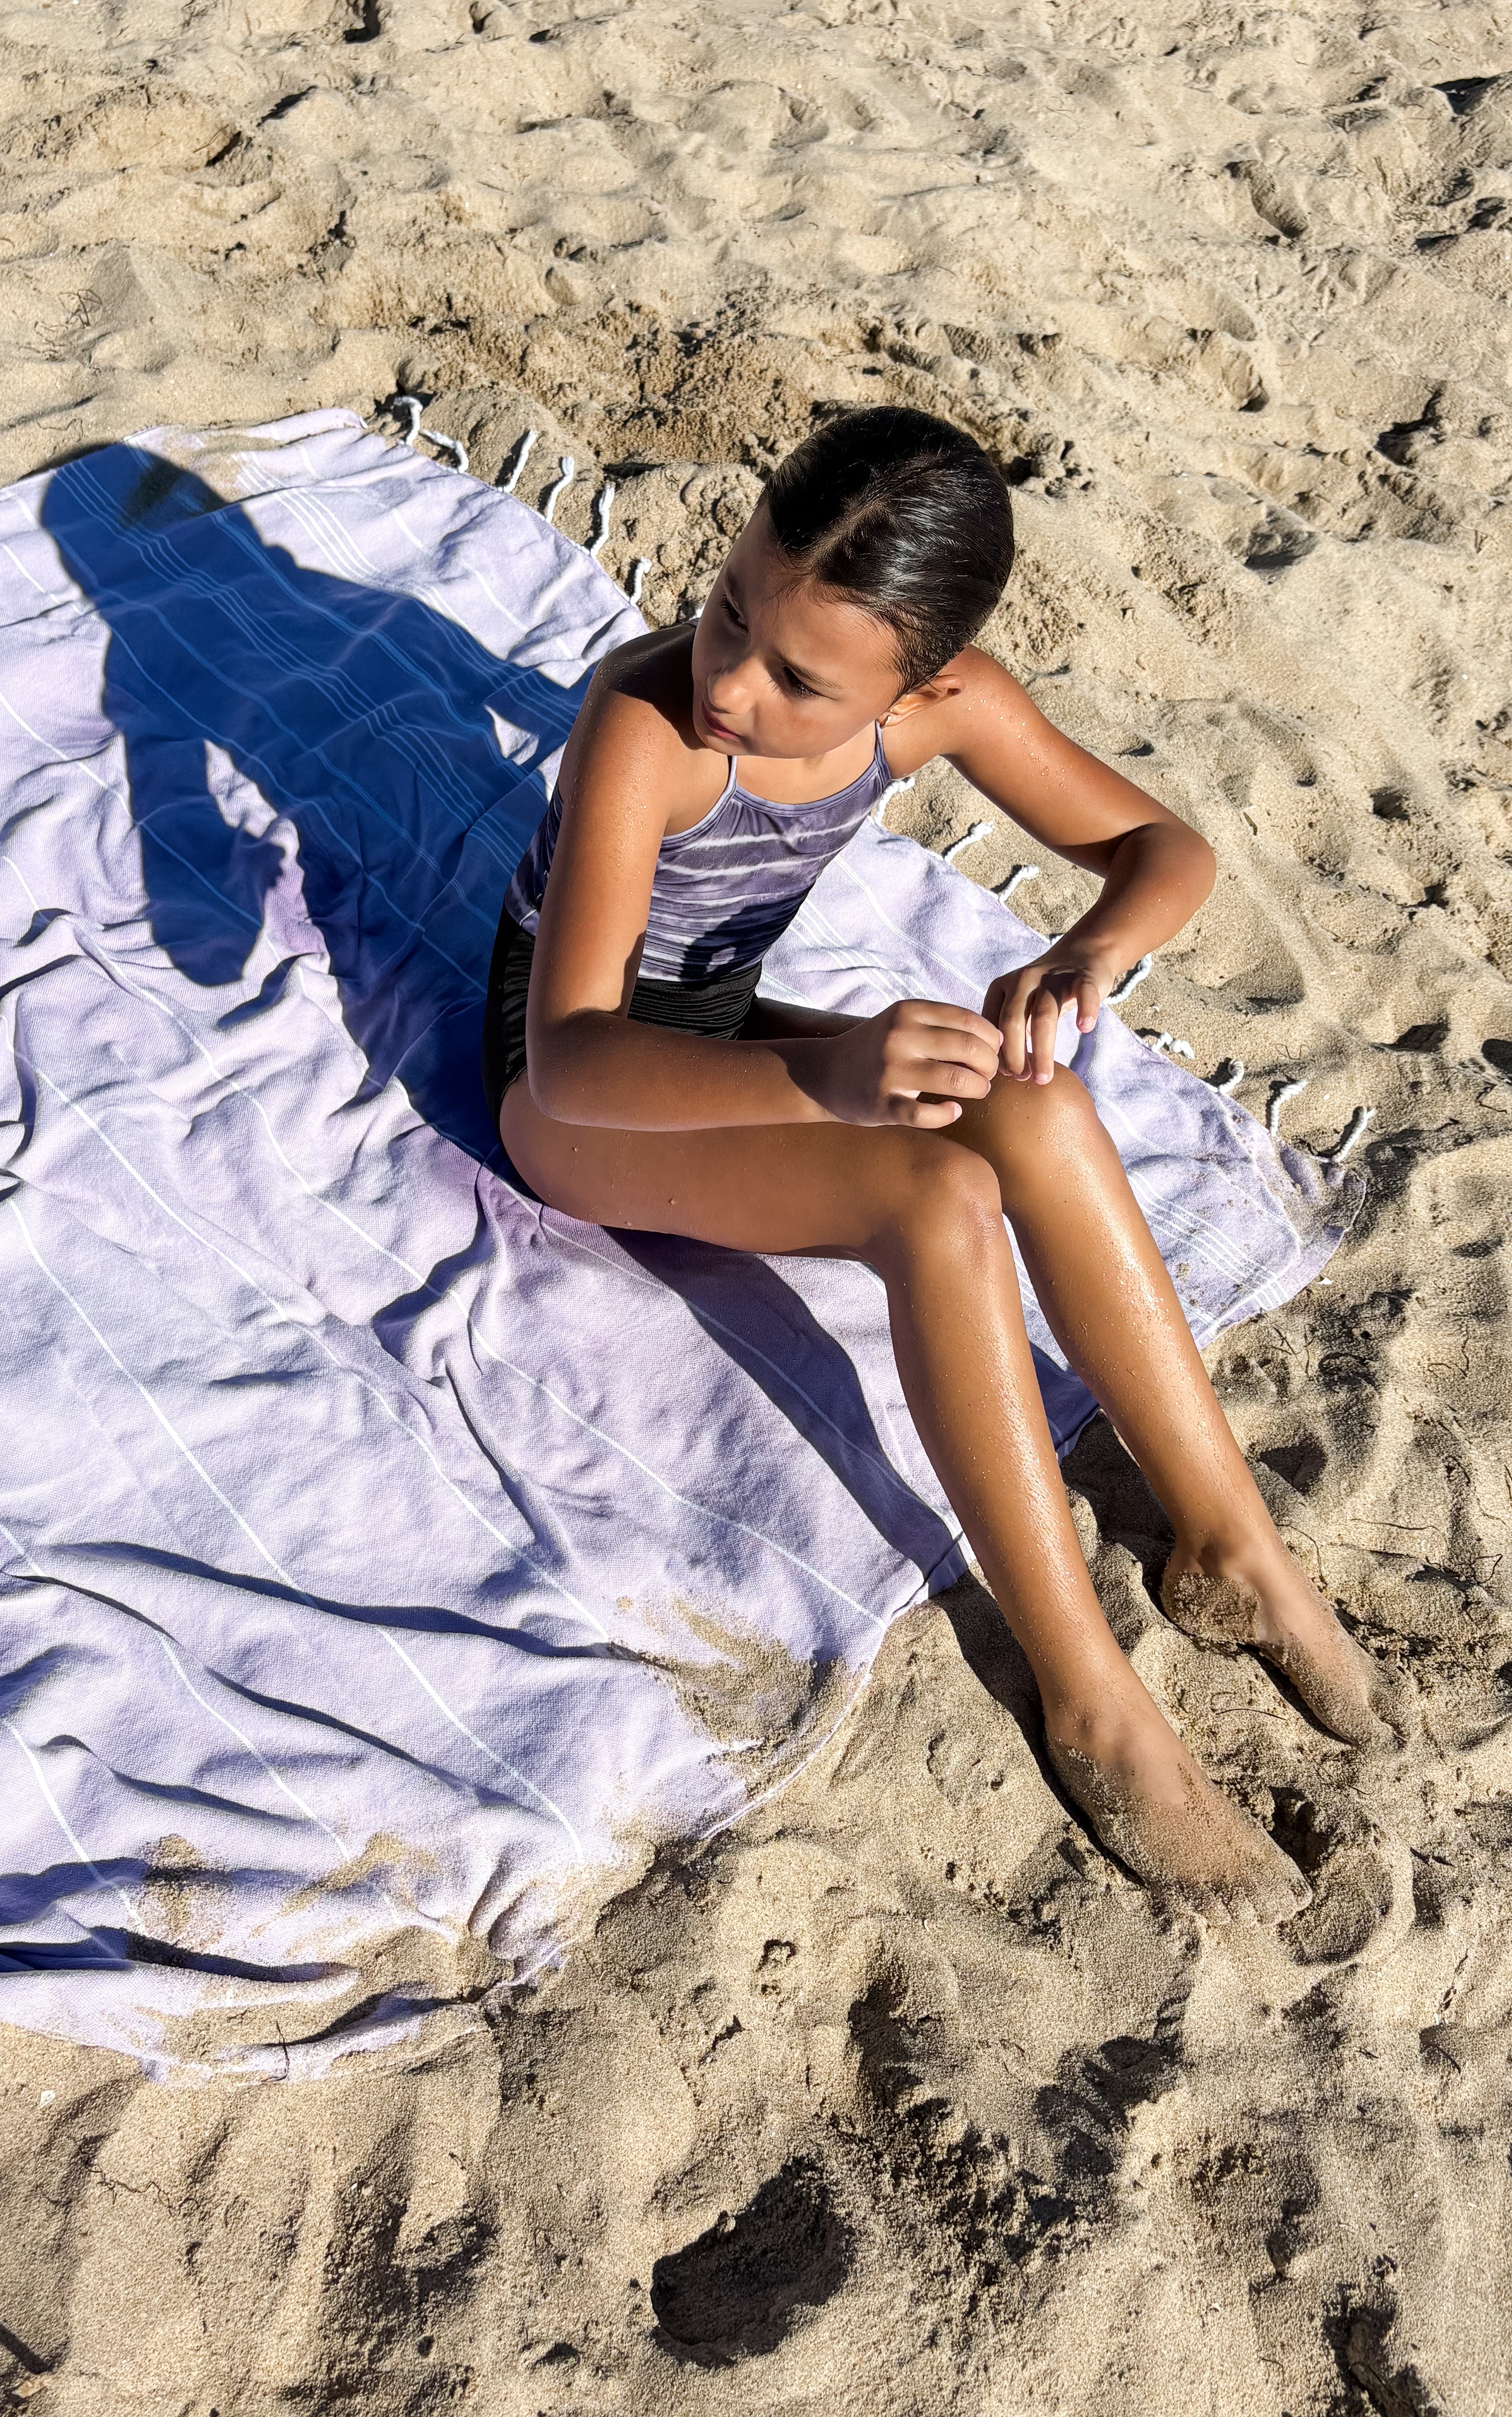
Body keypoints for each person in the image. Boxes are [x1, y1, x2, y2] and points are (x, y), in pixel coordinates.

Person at [482, 406, 1403, 1920]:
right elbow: (574, 1047)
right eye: (727, 612)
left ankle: (1230, 1540)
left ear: (921, 684)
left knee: (1038, 1108)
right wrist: (820, 1072)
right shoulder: (646, 729)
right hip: (575, 1097)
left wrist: (1081, 960)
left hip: (719, 1034)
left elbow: (1166, 854)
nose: (728, 678)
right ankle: (1089, 1690)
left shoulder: (954, 708)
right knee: (939, 1197)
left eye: (795, 677)